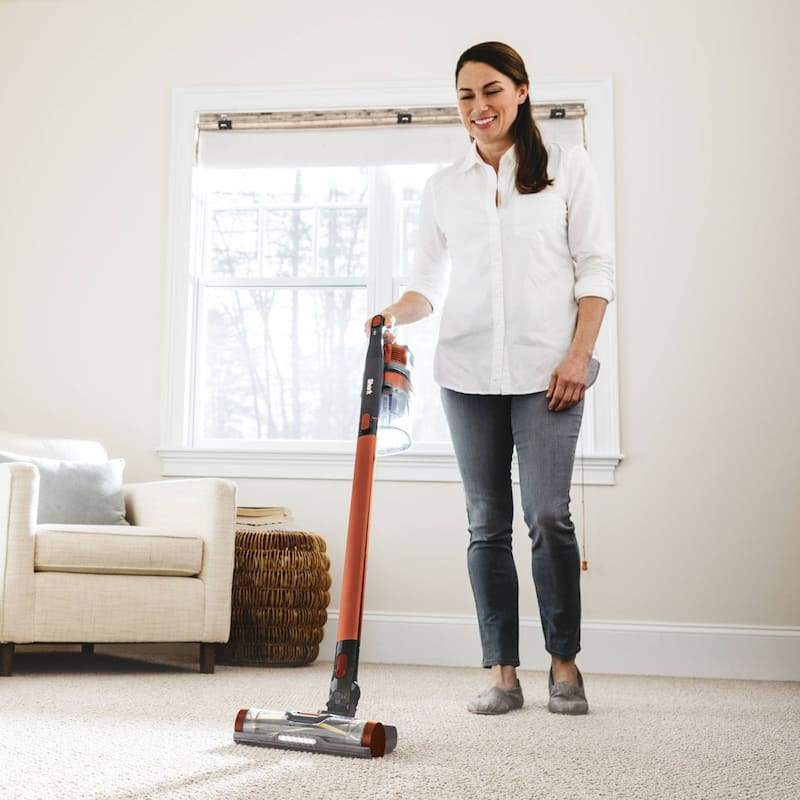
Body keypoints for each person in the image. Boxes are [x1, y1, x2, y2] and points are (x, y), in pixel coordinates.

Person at [368, 41, 614, 715]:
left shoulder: (569, 169)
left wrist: (578, 356)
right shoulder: (445, 187)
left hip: (551, 374)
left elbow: (596, 270)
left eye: (491, 91)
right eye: (466, 96)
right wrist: (392, 314)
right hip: (466, 373)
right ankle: (501, 673)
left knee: (547, 515)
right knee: (485, 523)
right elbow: (426, 286)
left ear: (523, 91)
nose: (479, 107)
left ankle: (564, 664)